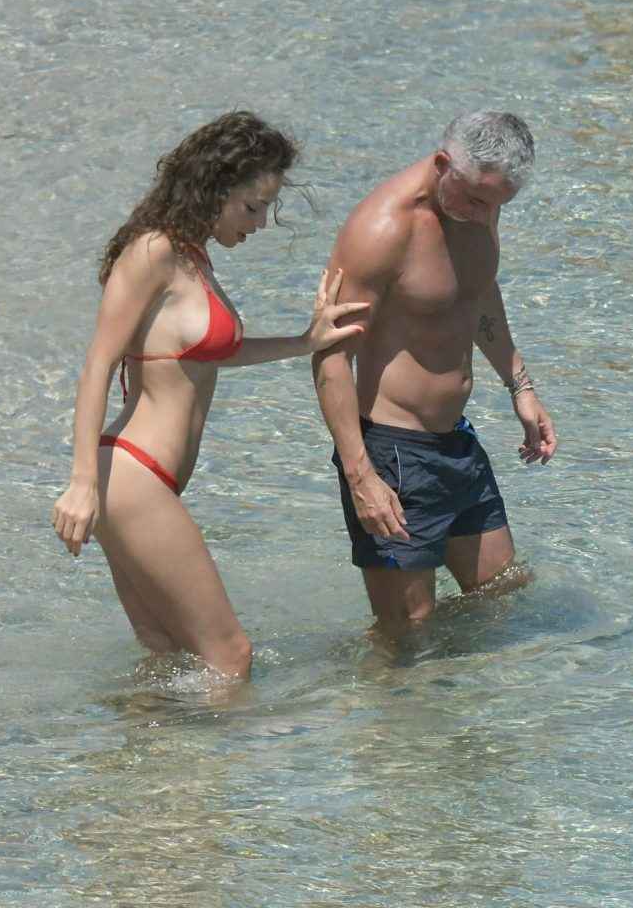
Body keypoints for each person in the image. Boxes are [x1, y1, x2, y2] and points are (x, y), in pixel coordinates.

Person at [52, 110, 367, 679]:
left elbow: (211, 354)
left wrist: (305, 341)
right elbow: (98, 363)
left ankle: (136, 741)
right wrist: (81, 484)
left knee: (168, 657)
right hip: (131, 477)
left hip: (140, 480)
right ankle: (233, 746)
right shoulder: (153, 251)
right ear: (214, 189)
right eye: (253, 206)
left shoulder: (192, 256)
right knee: (230, 656)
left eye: (267, 208)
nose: (261, 222)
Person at [312, 110, 557, 635]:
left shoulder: (478, 204)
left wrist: (520, 385)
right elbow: (331, 357)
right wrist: (361, 477)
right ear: (443, 164)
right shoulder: (382, 229)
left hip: (456, 442)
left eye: (497, 204)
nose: (484, 215)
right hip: (394, 453)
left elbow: (476, 290)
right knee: (407, 632)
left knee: (501, 597)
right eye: (477, 199)